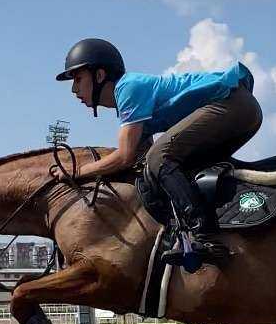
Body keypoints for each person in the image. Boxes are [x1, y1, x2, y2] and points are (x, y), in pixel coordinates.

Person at [54, 37, 263, 266]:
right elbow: (135, 161)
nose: (74, 90)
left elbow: (125, 156)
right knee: (161, 165)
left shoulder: (127, 89)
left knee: (159, 157)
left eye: (77, 79)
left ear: (100, 75)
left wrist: (78, 172)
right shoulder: (133, 102)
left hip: (232, 104)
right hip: (242, 108)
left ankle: (203, 236)